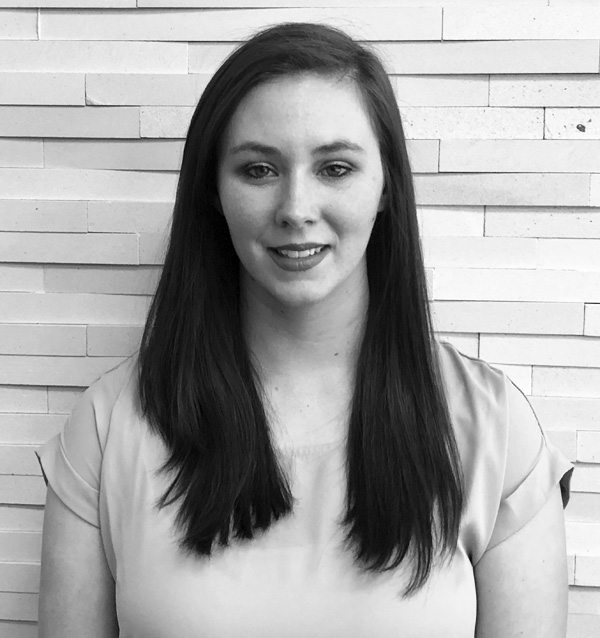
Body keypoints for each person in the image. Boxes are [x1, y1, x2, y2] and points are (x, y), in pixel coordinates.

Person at [36, 22, 573, 638]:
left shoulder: (495, 433)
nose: (295, 208)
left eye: (336, 168)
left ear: (386, 185)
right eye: (259, 169)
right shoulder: (108, 429)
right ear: (213, 190)